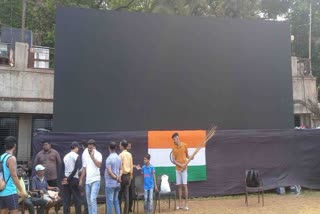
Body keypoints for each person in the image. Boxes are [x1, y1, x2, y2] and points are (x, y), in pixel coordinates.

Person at [0, 136, 27, 214]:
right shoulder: (11, 158)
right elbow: (14, 176)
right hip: (10, 192)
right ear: (15, 145)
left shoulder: (1, 157)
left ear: (5, 146)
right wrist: (22, 191)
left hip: (1, 190)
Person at [79, 139, 102, 214]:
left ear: (94, 147)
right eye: (88, 148)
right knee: (88, 201)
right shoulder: (85, 154)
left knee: (92, 199)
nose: (89, 149)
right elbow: (84, 168)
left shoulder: (98, 154)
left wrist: (93, 158)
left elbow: (99, 165)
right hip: (88, 181)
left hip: (96, 179)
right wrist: (81, 179)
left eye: (91, 148)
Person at [171, 132, 192, 211]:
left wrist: (191, 157)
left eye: (174, 139)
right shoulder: (173, 148)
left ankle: (186, 205)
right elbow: (173, 160)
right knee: (179, 186)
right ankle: (179, 204)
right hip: (178, 170)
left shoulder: (185, 145)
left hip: (185, 169)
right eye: (173, 140)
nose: (174, 141)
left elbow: (187, 156)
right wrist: (180, 165)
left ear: (177, 138)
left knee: (185, 186)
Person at [62, 141, 82, 214]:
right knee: (77, 199)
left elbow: (62, 169)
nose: (78, 149)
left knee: (66, 200)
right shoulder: (76, 156)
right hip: (73, 179)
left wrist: (65, 178)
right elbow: (76, 168)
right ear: (75, 147)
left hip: (65, 179)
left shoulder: (65, 156)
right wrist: (69, 178)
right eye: (78, 148)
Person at [105, 141, 122, 214]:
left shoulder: (109, 159)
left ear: (109, 148)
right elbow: (121, 169)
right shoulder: (119, 158)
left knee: (109, 202)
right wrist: (119, 177)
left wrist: (116, 178)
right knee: (116, 201)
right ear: (115, 148)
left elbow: (109, 172)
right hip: (117, 184)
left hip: (110, 184)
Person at [118, 140, 133, 214]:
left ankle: (119, 211)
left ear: (122, 146)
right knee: (126, 196)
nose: (119, 146)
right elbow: (131, 166)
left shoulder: (120, 155)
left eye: (120, 145)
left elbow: (119, 166)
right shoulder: (129, 154)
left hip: (122, 176)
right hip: (128, 176)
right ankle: (126, 212)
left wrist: (119, 177)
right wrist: (130, 176)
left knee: (119, 196)